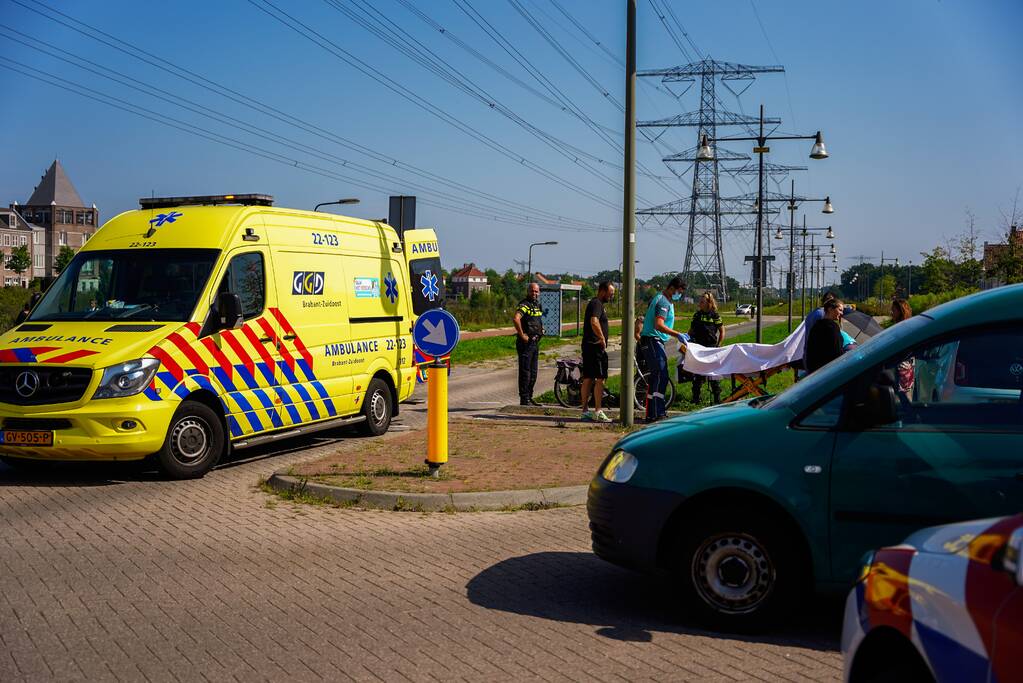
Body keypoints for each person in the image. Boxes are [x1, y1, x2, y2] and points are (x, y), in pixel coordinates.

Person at [639, 275, 687, 421]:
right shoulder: (663, 302)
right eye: (678, 292)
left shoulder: (662, 299)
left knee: (656, 377)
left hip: (653, 341)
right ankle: (657, 413)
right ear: (671, 288)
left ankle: (652, 413)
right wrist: (677, 334)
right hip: (653, 340)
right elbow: (658, 324)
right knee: (661, 375)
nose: (678, 295)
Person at [580, 282, 615, 422]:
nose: (612, 296)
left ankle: (585, 411)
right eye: (610, 293)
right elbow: (594, 321)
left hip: (589, 346)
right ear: (602, 291)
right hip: (595, 347)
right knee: (600, 378)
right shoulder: (597, 304)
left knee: (588, 377)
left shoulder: (596, 304)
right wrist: (601, 338)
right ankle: (598, 410)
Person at [689, 292, 725, 404]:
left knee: (713, 375)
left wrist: (719, 344)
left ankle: (717, 400)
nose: (699, 303)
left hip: (711, 348)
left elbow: (722, 330)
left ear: (709, 302)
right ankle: (695, 399)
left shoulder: (715, 315)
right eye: (699, 301)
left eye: (702, 301)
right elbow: (691, 331)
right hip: (698, 348)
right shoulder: (697, 315)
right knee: (697, 375)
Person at [513, 282, 544, 406]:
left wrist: (541, 329)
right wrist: (522, 334)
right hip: (526, 344)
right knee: (525, 373)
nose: (534, 293)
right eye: (532, 291)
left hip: (535, 343)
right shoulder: (524, 304)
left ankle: (530, 397)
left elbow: (537, 320)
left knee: (533, 373)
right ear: (528, 291)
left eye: (536, 291)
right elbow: (516, 319)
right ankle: (524, 399)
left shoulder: (537, 305)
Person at [805, 298, 845, 373]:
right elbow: (838, 352)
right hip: (829, 371)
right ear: (830, 309)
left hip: (815, 370)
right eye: (840, 310)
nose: (842, 313)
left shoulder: (816, 325)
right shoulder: (832, 327)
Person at [890, 298, 914, 396]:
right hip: (902, 366)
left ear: (900, 311)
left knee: (902, 398)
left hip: (902, 366)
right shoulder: (904, 326)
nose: (891, 312)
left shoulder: (902, 328)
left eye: (893, 310)